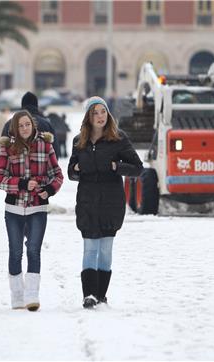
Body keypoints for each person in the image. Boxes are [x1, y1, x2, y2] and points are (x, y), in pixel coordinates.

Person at [68, 96, 143, 309]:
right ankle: (89, 295)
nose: (100, 116)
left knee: (106, 249)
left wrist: (116, 167)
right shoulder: (78, 141)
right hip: (87, 201)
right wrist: (75, 169)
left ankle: (101, 295)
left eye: (103, 112)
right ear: (88, 117)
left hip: (111, 202)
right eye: (95, 113)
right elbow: (71, 172)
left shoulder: (118, 139)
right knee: (90, 247)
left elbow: (137, 167)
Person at [0, 110, 63, 312]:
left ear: (33, 125)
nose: (24, 128)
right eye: (20, 126)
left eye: (27, 124)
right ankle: (17, 294)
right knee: (15, 251)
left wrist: (49, 190)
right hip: (14, 207)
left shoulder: (45, 145)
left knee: (33, 250)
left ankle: (32, 295)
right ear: (15, 128)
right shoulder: (7, 148)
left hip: (37, 207)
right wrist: (21, 183)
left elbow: (57, 174)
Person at [1, 91, 61, 156]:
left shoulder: (10, 123)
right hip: (42, 165)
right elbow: (55, 151)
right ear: (36, 105)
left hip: (15, 165)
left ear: (22, 105)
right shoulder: (46, 124)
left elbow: (3, 149)